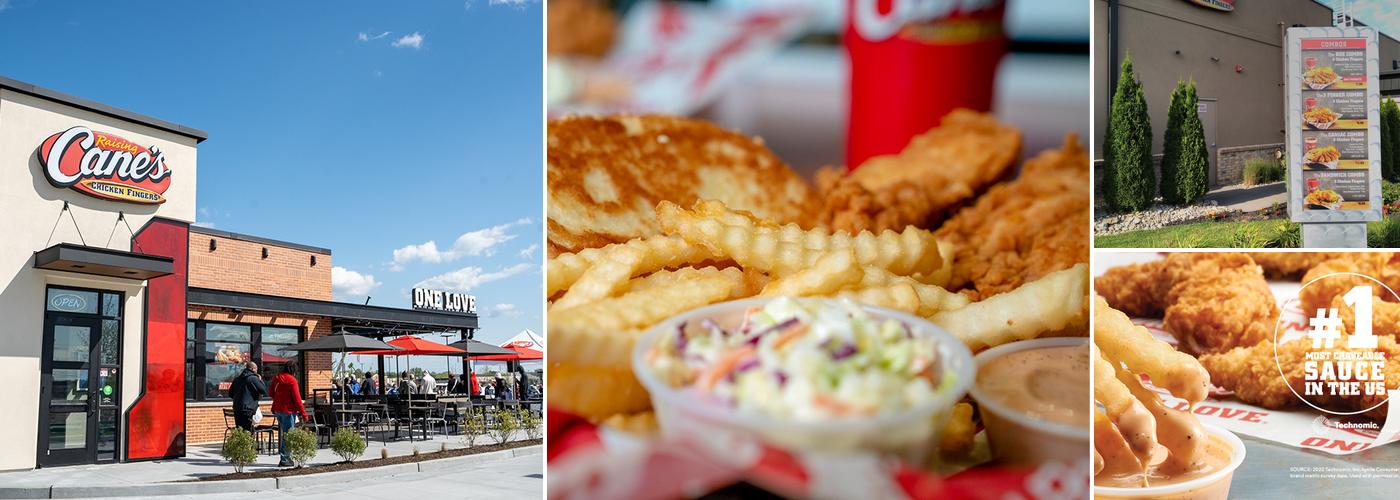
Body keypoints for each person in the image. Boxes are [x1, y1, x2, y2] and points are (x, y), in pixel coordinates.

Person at [269, 361, 309, 467]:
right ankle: (285, 459)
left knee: (285, 434)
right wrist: (304, 414)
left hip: (278, 410)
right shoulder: (292, 381)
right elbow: (297, 399)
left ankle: (285, 457)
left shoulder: (277, 378)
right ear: (294, 370)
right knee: (289, 435)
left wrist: (278, 399)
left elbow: (270, 393)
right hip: (289, 411)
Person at [228, 361, 267, 433]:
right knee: (248, 431)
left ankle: (241, 444)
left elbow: (230, 394)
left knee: (240, 431)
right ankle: (248, 444)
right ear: (252, 369)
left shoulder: (237, 379)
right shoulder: (253, 378)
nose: (257, 371)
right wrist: (260, 380)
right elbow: (263, 390)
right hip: (248, 409)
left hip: (237, 408)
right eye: (256, 369)